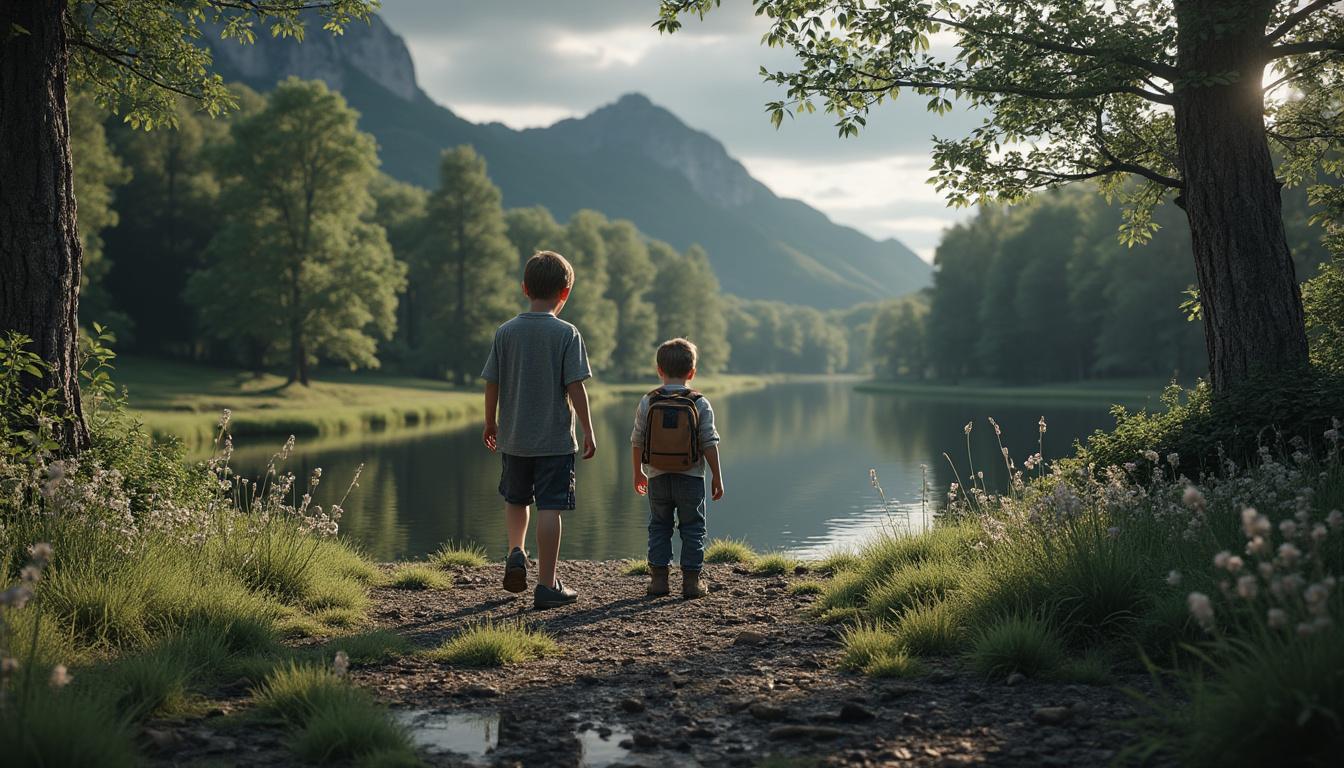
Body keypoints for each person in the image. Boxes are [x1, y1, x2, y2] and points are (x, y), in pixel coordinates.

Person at [481, 250, 596, 610]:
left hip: (514, 438)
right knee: (551, 507)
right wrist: (589, 430)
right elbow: (576, 386)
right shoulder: (567, 333)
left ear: (524, 288)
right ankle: (547, 585)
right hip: (555, 441)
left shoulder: (506, 331)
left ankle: (516, 550)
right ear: (565, 293)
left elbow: (492, 382)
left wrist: (490, 422)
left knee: (516, 499)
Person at [631, 338, 724, 598]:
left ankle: (659, 582)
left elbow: (637, 439)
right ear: (692, 372)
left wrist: (638, 471)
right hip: (691, 477)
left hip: (657, 475)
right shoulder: (699, 402)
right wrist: (717, 476)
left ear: (659, 370)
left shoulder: (648, 401)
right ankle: (692, 583)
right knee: (693, 527)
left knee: (659, 525)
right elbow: (709, 442)